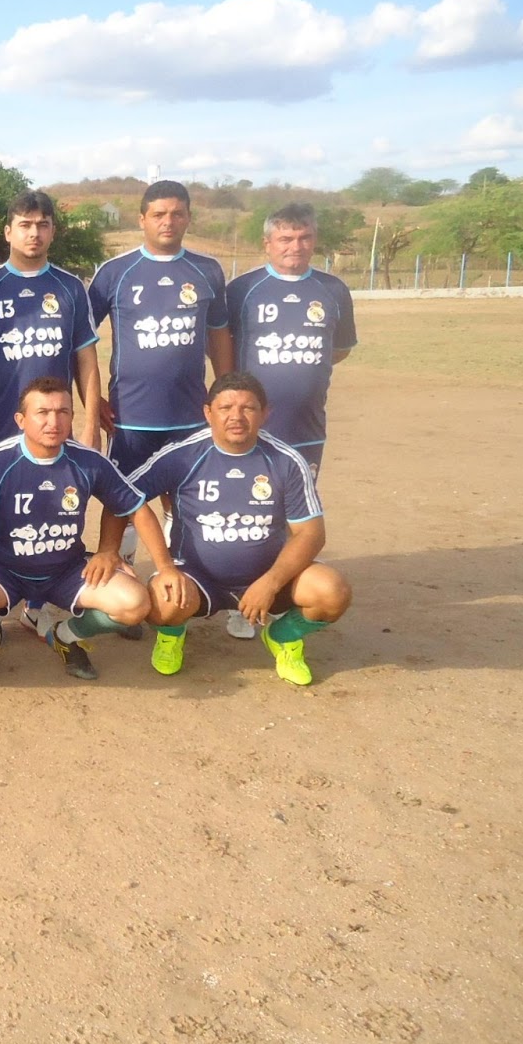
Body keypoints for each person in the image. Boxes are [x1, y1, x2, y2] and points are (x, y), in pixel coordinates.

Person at [113, 372, 352, 686]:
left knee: (332, 592)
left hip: (266, 577)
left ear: (265, 413)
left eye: (248, 408)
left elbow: (311, 533)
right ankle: (171, 636)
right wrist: (115, 552)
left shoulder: (286, 460)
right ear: (208, 413)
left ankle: (283, 636)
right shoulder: (182, 455)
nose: (236, 416)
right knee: (162, 601)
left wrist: (270, 583)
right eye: (225, 408)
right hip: (197, 577)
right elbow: (123, 498)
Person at [88, 180, 239, 637]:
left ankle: (178, 587)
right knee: (122, 502)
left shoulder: (207, 271)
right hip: (131, 416)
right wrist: (92, 398)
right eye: (158, 214)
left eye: (176, 213)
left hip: (190, 417)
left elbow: (218, 334)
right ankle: (122, 582)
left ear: (189, 217)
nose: (168, 222)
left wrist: (226, 392)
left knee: (184, 502)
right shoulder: (115, 272)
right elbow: (82, 340)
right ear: (142, 219)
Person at [0, 377, 166, 683]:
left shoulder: (88, 462)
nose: (54, 421)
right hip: (1, 569)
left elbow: (134, 507)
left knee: (135, 604)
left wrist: (112, 551)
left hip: (67, 569)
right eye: (43, 412)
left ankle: (67, 635)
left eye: (63, 412)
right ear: (21, 420)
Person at [0, 189, 102, 456]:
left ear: (53, 232)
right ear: (8, 232)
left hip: (55, 434)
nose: (34, 233)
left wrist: (92, 425)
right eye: (25, 225)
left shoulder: (70, 287)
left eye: (42, 225)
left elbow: (87, 360)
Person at [226, 203, 356, 479]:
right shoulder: (241, 290)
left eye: (304, 238)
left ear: (314, 240)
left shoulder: (334, 290)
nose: (296, 246)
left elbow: (339, 350)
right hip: (250, 424)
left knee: (300, 499)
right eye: (285, 239)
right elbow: (221, 348)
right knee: (251, 496)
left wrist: (300, 365)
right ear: (267, 244)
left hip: (307, 425)